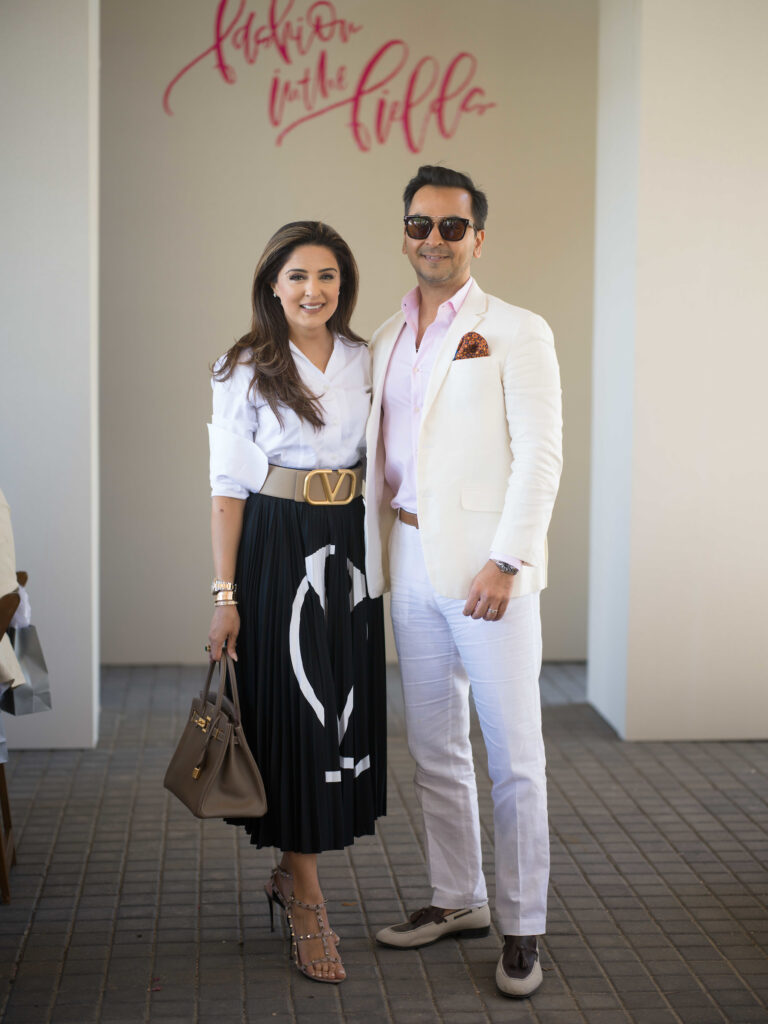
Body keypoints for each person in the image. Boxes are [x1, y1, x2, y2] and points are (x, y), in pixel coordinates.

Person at [364, 166, 562, 998]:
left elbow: (541, 457)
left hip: (490, 573)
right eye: (420, 225)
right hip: (408, 559)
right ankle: (458, 899)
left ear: (478, 236)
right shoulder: (382, 336)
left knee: (515, 754)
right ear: (404, 234)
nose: (433, 240)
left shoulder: (516, 331)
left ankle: (522, 926)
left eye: (451, 227)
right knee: (434, 747)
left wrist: (508, 559)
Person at [206, 221, 386, 985]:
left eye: (328, 277)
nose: (313, 291)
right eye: (297, 277)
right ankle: (307, 895)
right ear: (272, 285)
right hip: (277, 541)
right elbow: (226, 487)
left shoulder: (365, 358)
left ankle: (292, 875)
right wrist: (225, 595)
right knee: (296, 710)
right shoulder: (243, 367)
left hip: (349, 540)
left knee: (337, 711)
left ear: (343, 287)